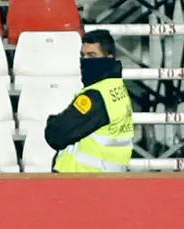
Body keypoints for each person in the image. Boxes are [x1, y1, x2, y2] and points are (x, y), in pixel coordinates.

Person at [45, 29, 134, 172]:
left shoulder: (96, 95)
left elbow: (57, 134)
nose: (85, 61)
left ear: (109, 58)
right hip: (108, 177)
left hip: (83, 180)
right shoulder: (118, 87)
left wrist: (52, 121)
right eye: (83, 56)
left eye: (92, 55)